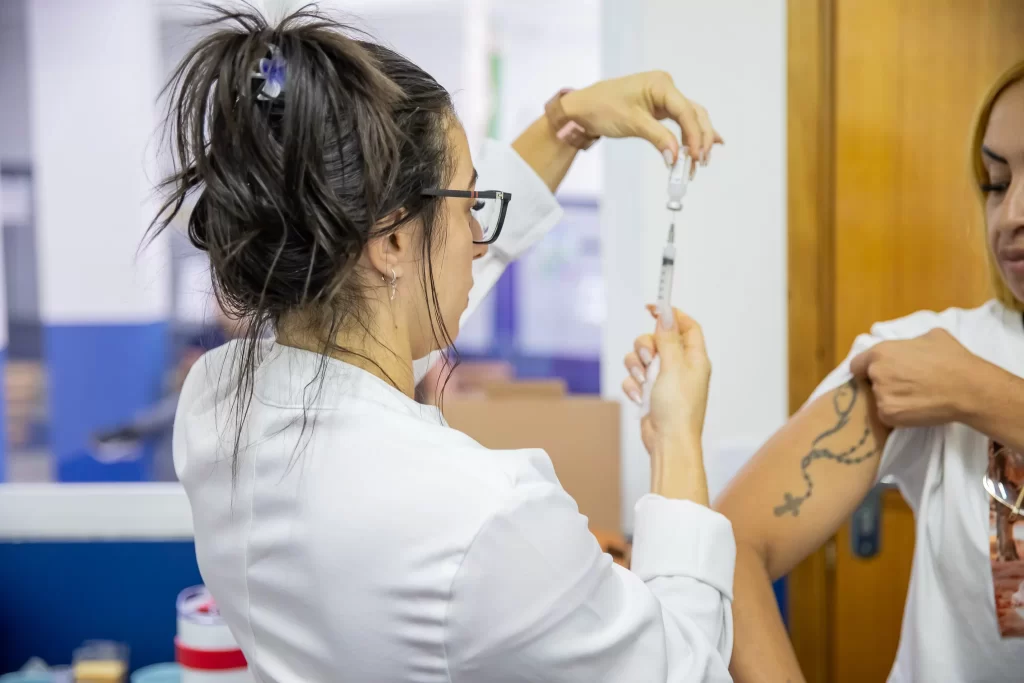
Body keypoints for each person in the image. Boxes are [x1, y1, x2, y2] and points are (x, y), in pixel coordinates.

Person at [159, 7, 734, 683]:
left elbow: (396, 303)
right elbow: (686, 667)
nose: (480, 241)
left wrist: (567, 123)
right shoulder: (485, 514)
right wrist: (677, 440)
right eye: (469, 209)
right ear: (393, 241)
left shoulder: (215, 404)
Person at [622, 60, 1024, 681]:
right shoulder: (923, 356)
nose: (1011, 213)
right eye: (996, 182)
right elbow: (731, 549)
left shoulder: (955, 374)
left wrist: (983, 394)